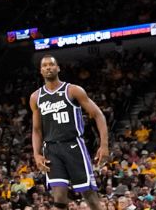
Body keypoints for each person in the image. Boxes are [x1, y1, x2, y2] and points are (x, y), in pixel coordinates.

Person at [29, 55, 109, 210]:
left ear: (58, 68)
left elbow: (99, 115)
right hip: (51, 149)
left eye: (51, 64)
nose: (48, 67)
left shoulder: (73, 90)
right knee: (59, 197)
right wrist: (36, 154)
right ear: (40, 70)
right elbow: (36, 129)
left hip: (73, 145)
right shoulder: (36, 97)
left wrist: (104, 145)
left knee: (89, 196)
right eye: (44, 65)